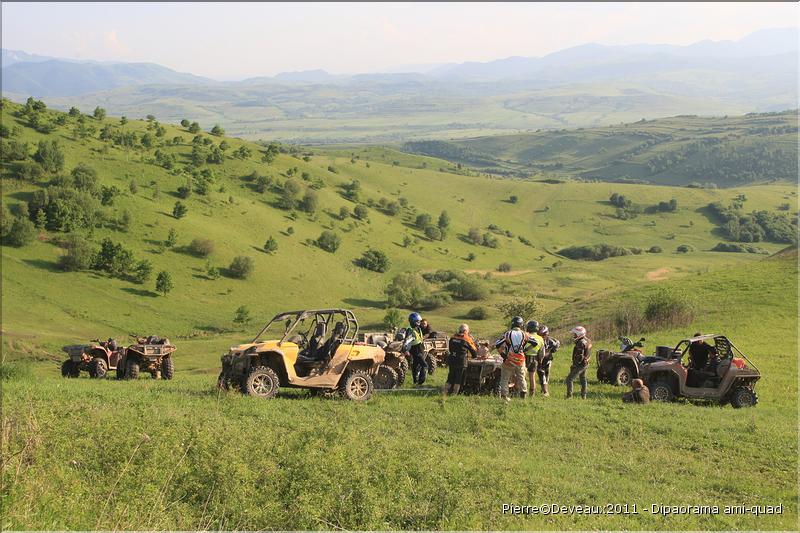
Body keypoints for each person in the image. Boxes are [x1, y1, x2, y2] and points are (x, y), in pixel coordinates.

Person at [494, 316, 533, 401]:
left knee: (505, 379)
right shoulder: (525, 334)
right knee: (521, 378)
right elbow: (535, 343)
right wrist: (525, 350)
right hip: (521, 360)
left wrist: (503, 355)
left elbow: (497, 344)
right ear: (521, 324)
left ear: (512, 324)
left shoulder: (507, 334)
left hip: (509, 360)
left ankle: (505, 398)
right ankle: (523, 397)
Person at [444, 323, 478, 396]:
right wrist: (474, 356)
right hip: (461, 361)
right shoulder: (466, 338)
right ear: (466, 331)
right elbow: (474, 351)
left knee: (450, 377)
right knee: (458, 379)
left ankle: (445, 392)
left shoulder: (453, 337)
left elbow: (450, 348)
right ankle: (454, 394)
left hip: (452, 359)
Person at [565, 326, 591, 399]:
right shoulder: (588, 340)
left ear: (579, 334)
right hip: (586, 362)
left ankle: (569, 396)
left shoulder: (580, 343)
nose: (573, 336)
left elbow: (579, 357)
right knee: (583, 378)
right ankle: (584, 396)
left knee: (569, 379)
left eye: (575, 334)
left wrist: (574, 365)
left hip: (581, 364)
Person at [403, 312, 427, 386]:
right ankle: (420, 382)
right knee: (425, 365)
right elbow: (407, 341)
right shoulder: (410, 330)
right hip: (416, 350)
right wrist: (406, 350)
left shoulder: (418, 328)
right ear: (413, 321)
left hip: (420, 349)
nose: (419, 322)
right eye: (417, 321)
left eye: (419, 321)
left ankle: (415, 382)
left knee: (415, 366)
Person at [537, 325, 560, 397]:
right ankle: (545, 392)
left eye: (543, 335)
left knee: (546, 375)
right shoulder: (536, 340)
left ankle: (544, 390)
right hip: (539, 361)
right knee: (541, 375)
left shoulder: (551, 341)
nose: (542, 336)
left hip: (548, 360)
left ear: (547, 334)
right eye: (540, 334)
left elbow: (556, 345)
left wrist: (550, 351)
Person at [524, 320, 544, 397]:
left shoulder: (526, 336)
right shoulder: (540, 338)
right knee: (532, 377)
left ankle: (522, 392)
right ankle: (532, 395)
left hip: (525, 357)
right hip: (535, 358)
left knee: (523, 376)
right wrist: (540, 361)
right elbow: (542, 352)